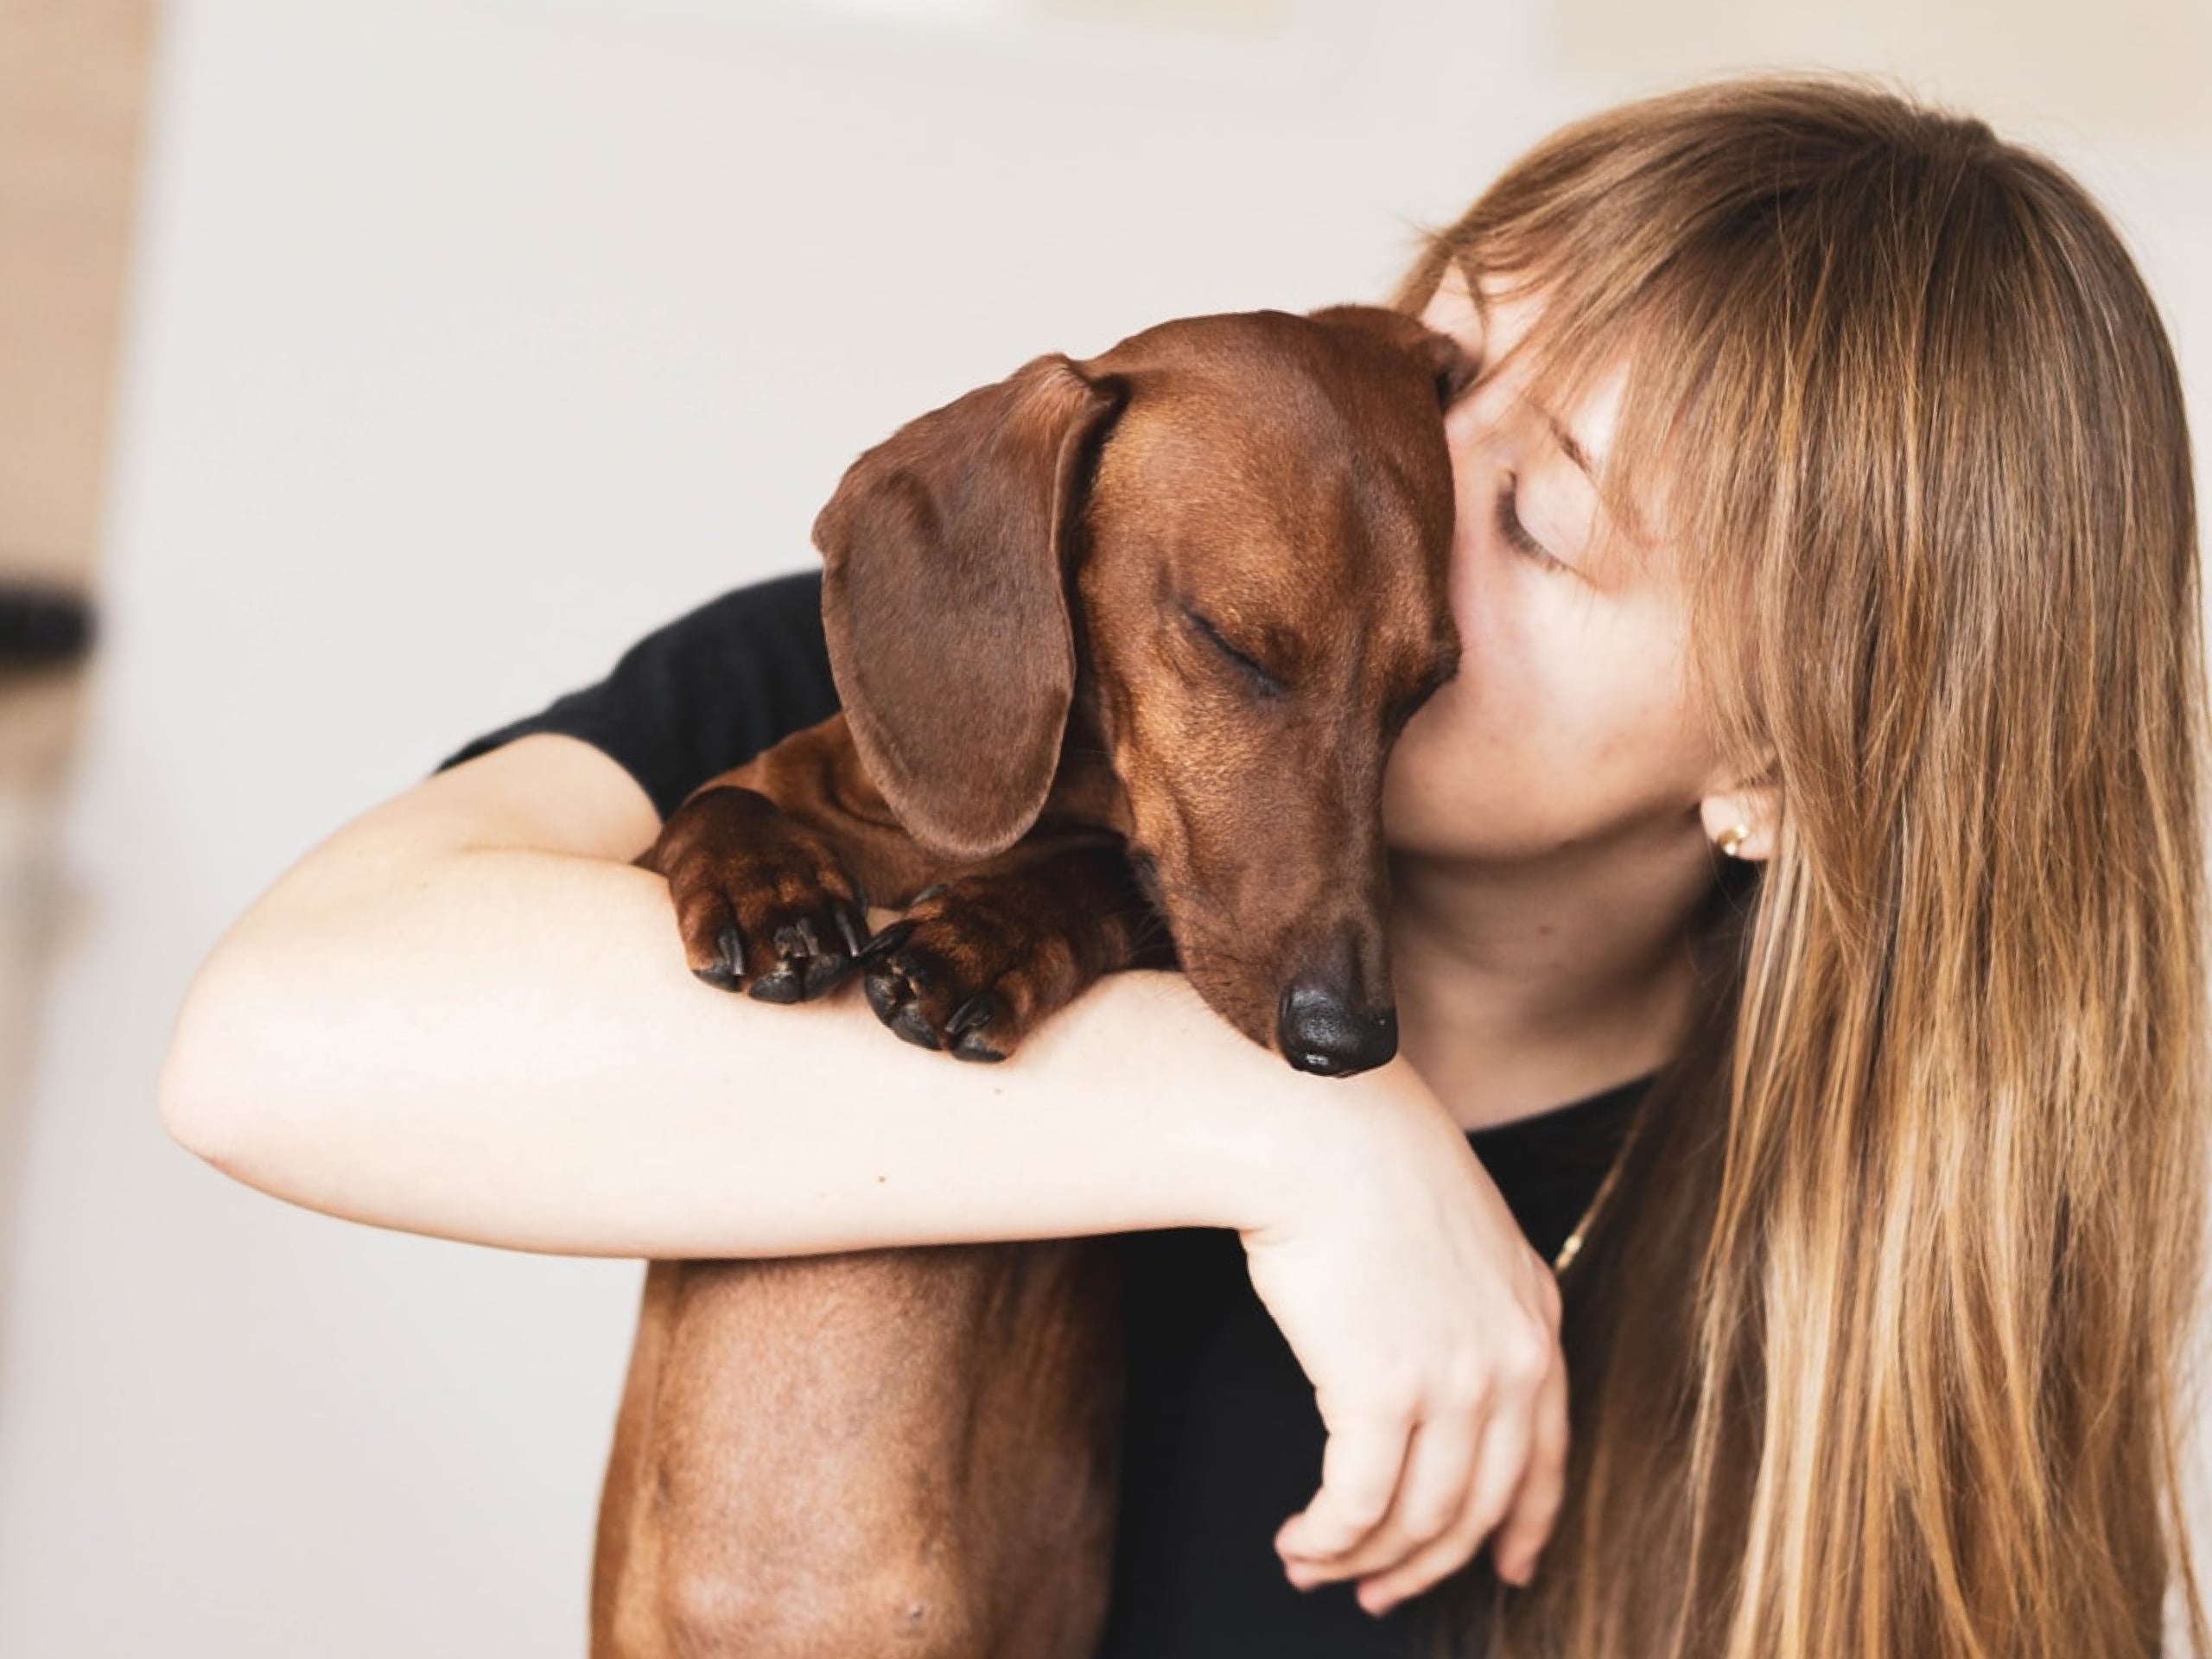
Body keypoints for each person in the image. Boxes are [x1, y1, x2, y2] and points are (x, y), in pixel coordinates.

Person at [156, 73, 2210, 1659]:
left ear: (1788, 760)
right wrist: (1301, 1133)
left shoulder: (1865, 1311)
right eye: (1446, 353)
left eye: (1545, 525)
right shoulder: (973, 681)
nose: (1401, 473)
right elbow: (269, 1043)